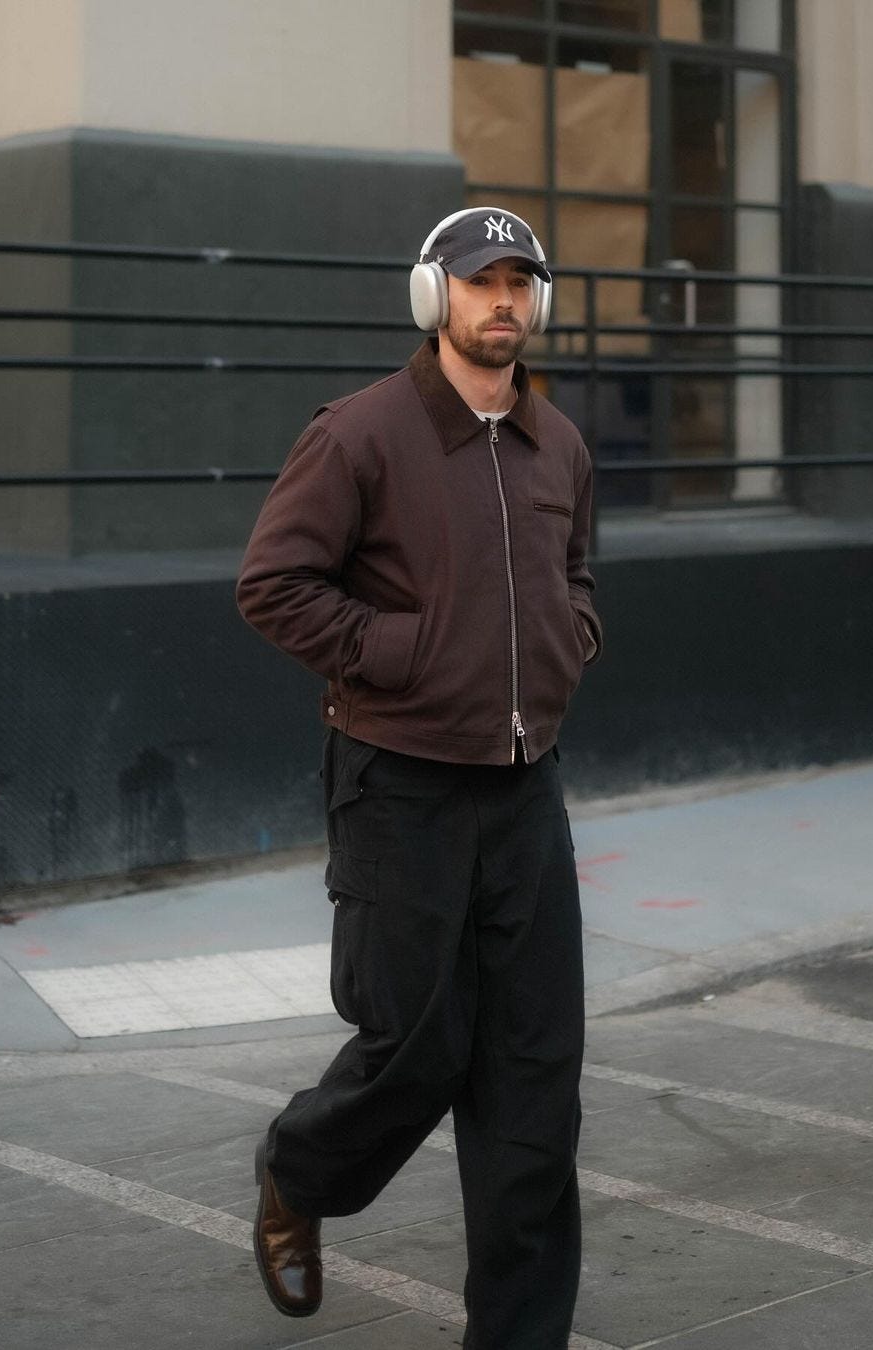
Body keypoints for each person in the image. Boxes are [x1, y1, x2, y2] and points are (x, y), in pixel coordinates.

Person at [235, 206, 602, 1350]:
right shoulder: (361, 435)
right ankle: (300, 1172)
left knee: (535, 1081)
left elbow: (577, 571)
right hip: (400, 789)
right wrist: (406, 654)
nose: (502, 300)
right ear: (431, 294)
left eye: (519, 282)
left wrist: (569, 637)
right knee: (415, 1050)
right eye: (479, 280)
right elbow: (274, 584)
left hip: (526, 789)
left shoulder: (562, 445)